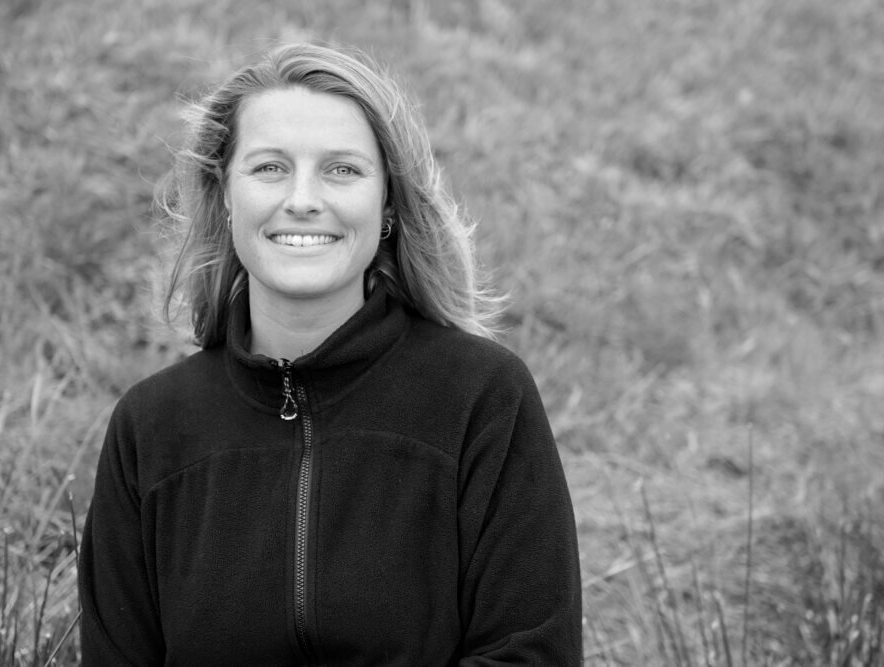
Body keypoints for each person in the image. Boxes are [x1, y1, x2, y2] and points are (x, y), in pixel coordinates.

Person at [79, 42, 582, 665]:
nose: (302, 199)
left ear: (388, 201)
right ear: (225, 192)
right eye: (269, 167)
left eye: (342, 170)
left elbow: (531, 653)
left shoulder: (481, 397)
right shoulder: (151, 426)